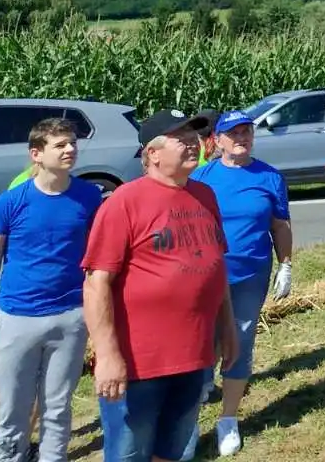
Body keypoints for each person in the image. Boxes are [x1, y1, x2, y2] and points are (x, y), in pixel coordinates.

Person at [83, 108, 239, 462]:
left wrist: (227, 328)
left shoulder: (205, 196)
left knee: (177, 450)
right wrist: (106, 355)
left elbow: (215, 269)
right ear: (151, 154)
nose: (192, 144)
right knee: (129, 452)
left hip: (195, 356)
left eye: (194, 137)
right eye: (180, 138)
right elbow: (96, 284)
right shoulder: (124, 202)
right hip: (139, 363)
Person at [0, 118, 105, 462]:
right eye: (60, 145)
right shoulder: (10, 202)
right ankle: (12, 454)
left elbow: (97, 258)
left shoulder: (88, 197)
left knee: (57, 400)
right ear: (36, 154)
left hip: (70, 315)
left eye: (72, 143)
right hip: (17, 317)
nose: (70, 149)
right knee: (12, 401)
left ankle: (54, 456)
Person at [185, 111, 295, 457]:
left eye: (247, 132)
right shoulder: (200, 178)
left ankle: (228, 420)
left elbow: (280, 225)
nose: (242, 138)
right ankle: (190, 415)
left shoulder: (269, 177)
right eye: (234, 134)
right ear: (217, 141)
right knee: (201, 342)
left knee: (240, 341)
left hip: (251, 274)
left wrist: (286, 264)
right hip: (205, 276)